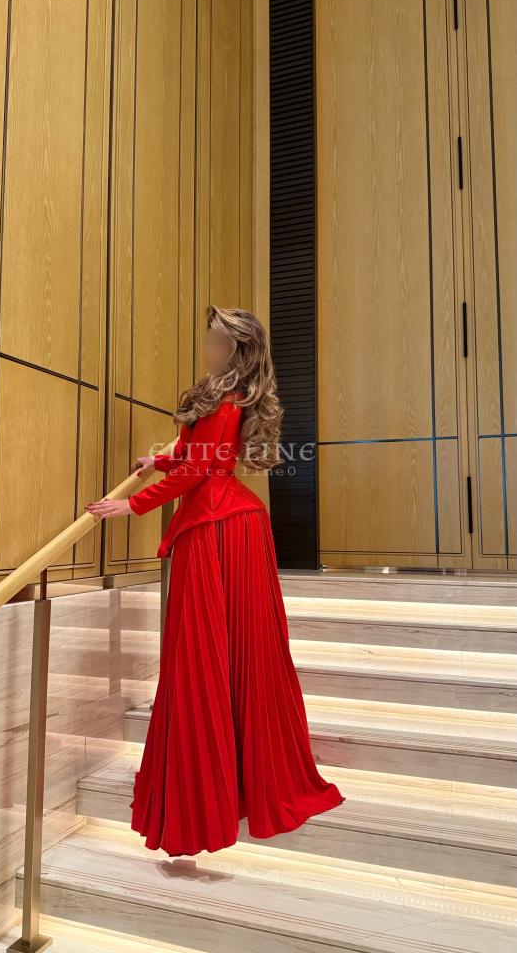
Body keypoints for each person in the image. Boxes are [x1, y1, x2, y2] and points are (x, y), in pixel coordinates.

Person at [86, 304, 346, 857]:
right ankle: (222, 780)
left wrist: (132, 505)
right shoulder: (218, 396)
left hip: (221, 528)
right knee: (209, 650)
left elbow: (203, 469)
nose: (206, 348)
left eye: (214, 341)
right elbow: (196, 454)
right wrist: (159, 461)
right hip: (224, 522)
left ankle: (216, 791)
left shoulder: (229, 400)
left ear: (234, 350)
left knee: (208, 650)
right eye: (207, 338)